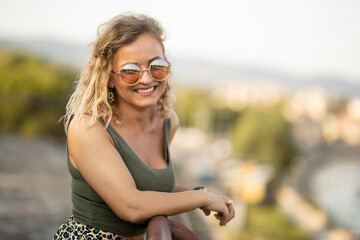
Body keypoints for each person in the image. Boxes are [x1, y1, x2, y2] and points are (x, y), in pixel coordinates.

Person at [53, 13, 235, 240]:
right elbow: (132, 206)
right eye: (131, 70)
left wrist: (200, 193)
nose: (147, 79)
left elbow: (152, 189)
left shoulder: (168, 121)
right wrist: (201, 199)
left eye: (156, 66)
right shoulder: (88, 128)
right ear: (109, 77)